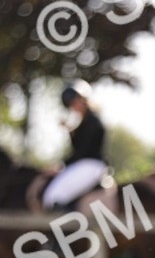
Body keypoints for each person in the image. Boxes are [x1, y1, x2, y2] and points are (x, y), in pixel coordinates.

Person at [42, 80, 108, 209]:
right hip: (84, 165)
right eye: (70, 104)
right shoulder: (83, 123)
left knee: (54, 196)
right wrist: (70, 132)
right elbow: (78, 149)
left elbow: (83, 151)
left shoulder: (92, 122)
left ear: (83, 99)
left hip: (91, 166)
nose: (74, 106)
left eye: (75, 101)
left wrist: (61, 165)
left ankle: (71, 228)